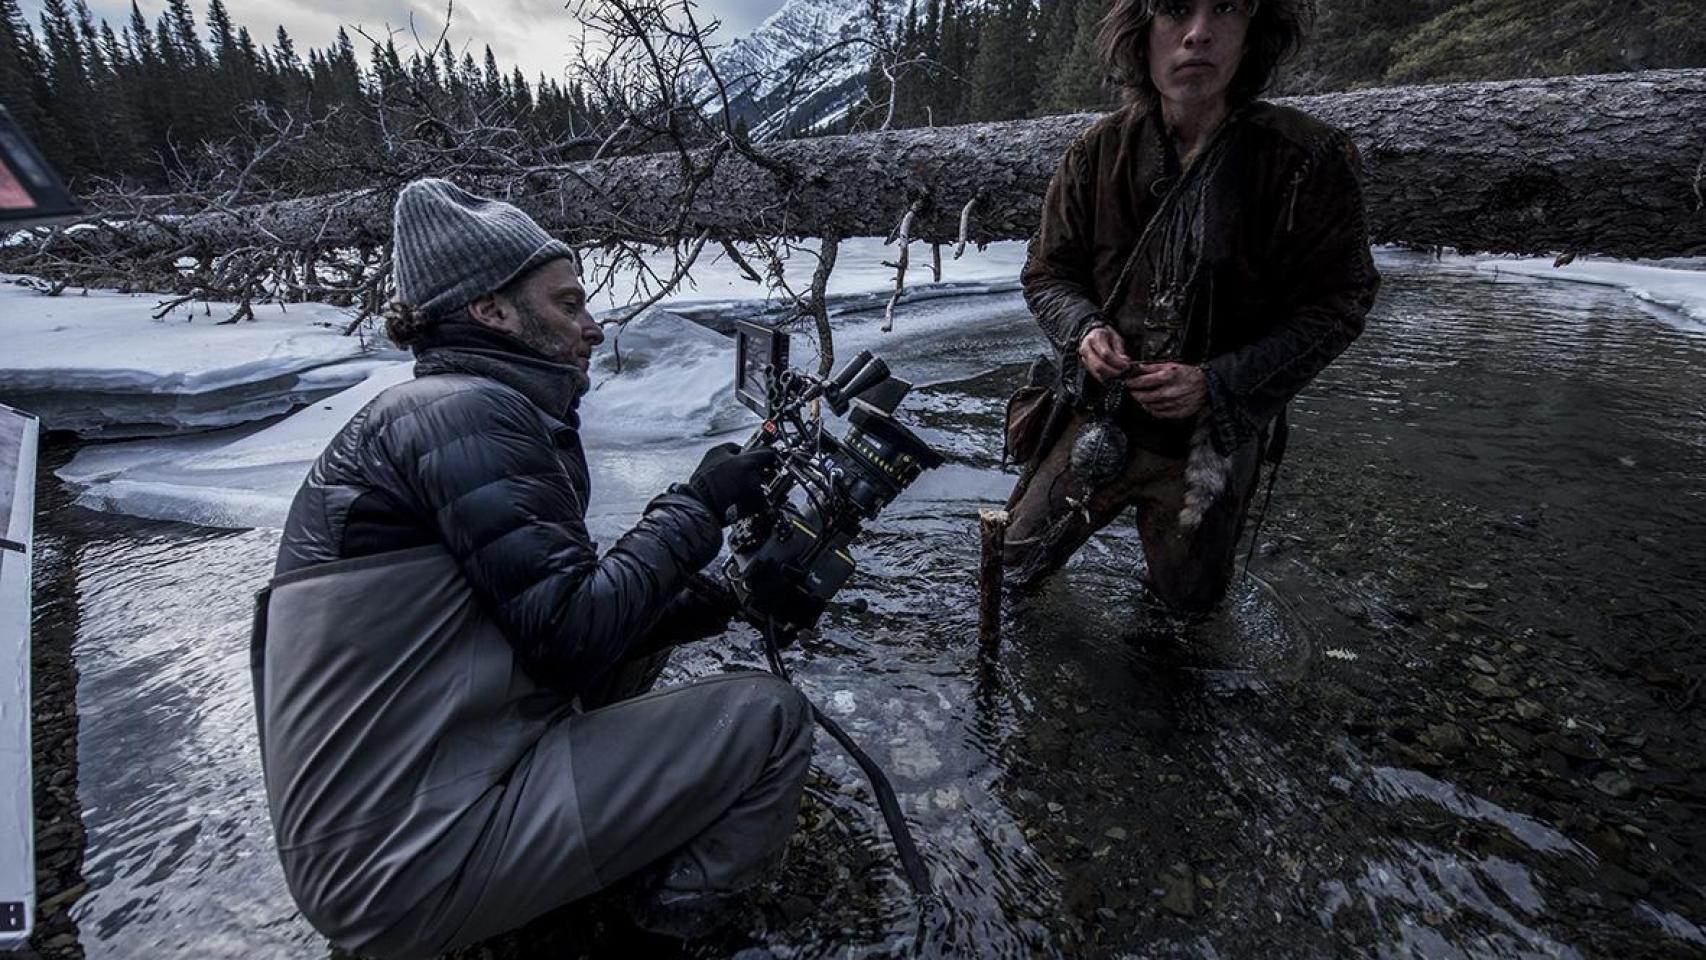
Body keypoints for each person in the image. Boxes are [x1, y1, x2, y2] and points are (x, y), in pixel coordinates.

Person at [250, 179, 813, 958]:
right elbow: (569, 636)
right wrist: (700, 505)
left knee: (637, 646)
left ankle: (569, 883)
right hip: (398, 867)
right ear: (493, 311)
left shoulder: (444, 407)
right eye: (569, 304)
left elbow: (525, 622)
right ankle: (671, 933)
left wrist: (714, 601)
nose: (592, 326)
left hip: (385, 824)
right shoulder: (466, 413)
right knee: (770, 720)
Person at [1003, 0, 1380, 613]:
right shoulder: (1095, 154)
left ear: (1252, 31)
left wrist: (1216, 383)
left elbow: (1341, 304)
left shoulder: (1305, 160)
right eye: (1175, 10)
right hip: (1098, 418)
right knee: (1009, 569)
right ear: (1142, 32)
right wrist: (1085, 330)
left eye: (1225, 10)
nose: (1198, 34)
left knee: (1185, 620)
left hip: (1213, 441)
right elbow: (1048, 274)